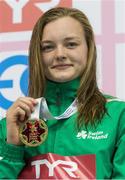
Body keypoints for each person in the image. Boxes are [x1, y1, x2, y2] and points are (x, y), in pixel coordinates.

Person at [0, 7, 125, 179]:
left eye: (71, 44)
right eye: (48, 47)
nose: (60, 54)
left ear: (89, 49)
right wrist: (13, 148)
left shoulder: (118, 116)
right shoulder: (13, 123)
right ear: (37, 54)